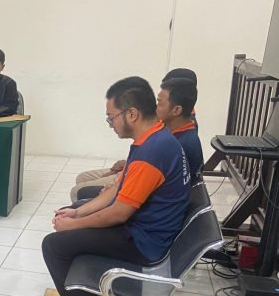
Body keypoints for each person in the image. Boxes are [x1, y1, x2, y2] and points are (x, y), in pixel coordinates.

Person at [42, 76, 190, 296]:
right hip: (143, 228)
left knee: (54, 245)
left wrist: (73, 225)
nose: (110, 124)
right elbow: (118, 188)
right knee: (75, 208)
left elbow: (119, 213)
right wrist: (77, 214)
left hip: (144, 242)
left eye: (111, 117)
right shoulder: (153, 138)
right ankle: (90, 291)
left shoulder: (152, 152)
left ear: (132, 114)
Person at [70, 68, 198, 202]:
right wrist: (126, 167)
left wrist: (119, 181)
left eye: (160, 102)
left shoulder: (176, 140)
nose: (155, 108)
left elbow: (150, 170)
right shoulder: (171, 126)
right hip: (137, 172)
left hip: (142, 181)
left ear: (177, 108)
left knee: (78, 192)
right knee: (82, 179)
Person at [156, 77, 203, 180]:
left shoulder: (179, 146)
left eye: (159, 103)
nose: (155, 108)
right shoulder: (185, 132)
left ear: (176, 110)